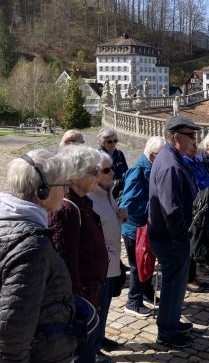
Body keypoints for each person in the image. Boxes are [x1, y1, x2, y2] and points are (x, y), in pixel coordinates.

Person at [0, 150, 77, 362]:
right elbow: (12, 328)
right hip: (40, 354)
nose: (65, 190)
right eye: (62, 184)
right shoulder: (32, 246)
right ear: (41, 192)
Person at [49, 145, 108, 363]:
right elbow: (65, 260)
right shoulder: (67, 209)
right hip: (80, 299)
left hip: (92, 292)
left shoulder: (81, 201)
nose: (97, 176)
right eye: (92, 171)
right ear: (75, 174)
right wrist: (78, 305)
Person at [148, 116, 200, 348]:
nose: (194, 140)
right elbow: (172, 209)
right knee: (173, 285)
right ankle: (167, 332)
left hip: (171, 236)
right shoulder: (169, 163)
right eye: (191, 136)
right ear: (175, 137)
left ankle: (170, 321)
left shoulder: (172, 157)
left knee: (175, 285)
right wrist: (183, 237)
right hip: (171, 238)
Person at [119, 136, 165, 317]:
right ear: (153, 155)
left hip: (144, 228)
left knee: (147, 263)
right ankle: (133, 302)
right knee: (138, 266)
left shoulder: (150, 167)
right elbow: (128, 204)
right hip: (134, 229)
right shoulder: (138, 170)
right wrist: (155, 206)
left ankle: (146, 293)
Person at [88, 152, 126, 362]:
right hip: (101, 265)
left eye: (111, 168)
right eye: (106, 170)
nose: (112, 172)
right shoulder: (90, 197)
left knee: (106, 305)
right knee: (97, 307)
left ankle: (100, 338)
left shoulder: (107, 191)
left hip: (111, 262)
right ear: (94, 173)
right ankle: (92, 348)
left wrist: (119, 215)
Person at [182, 143, 209, 292]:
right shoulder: (185, 161)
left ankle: (193, 275)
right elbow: (196, 181)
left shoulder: (196, 160)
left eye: (195, 145)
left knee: (197, 240)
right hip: (193, 204)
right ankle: (188, 278)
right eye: (192, 145)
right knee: (191, 243)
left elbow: (206, 177)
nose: (194, 147)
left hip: (202, 202)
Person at [97, 127, 128, 198]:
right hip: (105, 192)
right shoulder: (97, 156)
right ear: (102, 143)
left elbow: (126, 171)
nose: (113, 143)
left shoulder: (119, 154)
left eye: (115, 140)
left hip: (120, 191)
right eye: (109, 142)